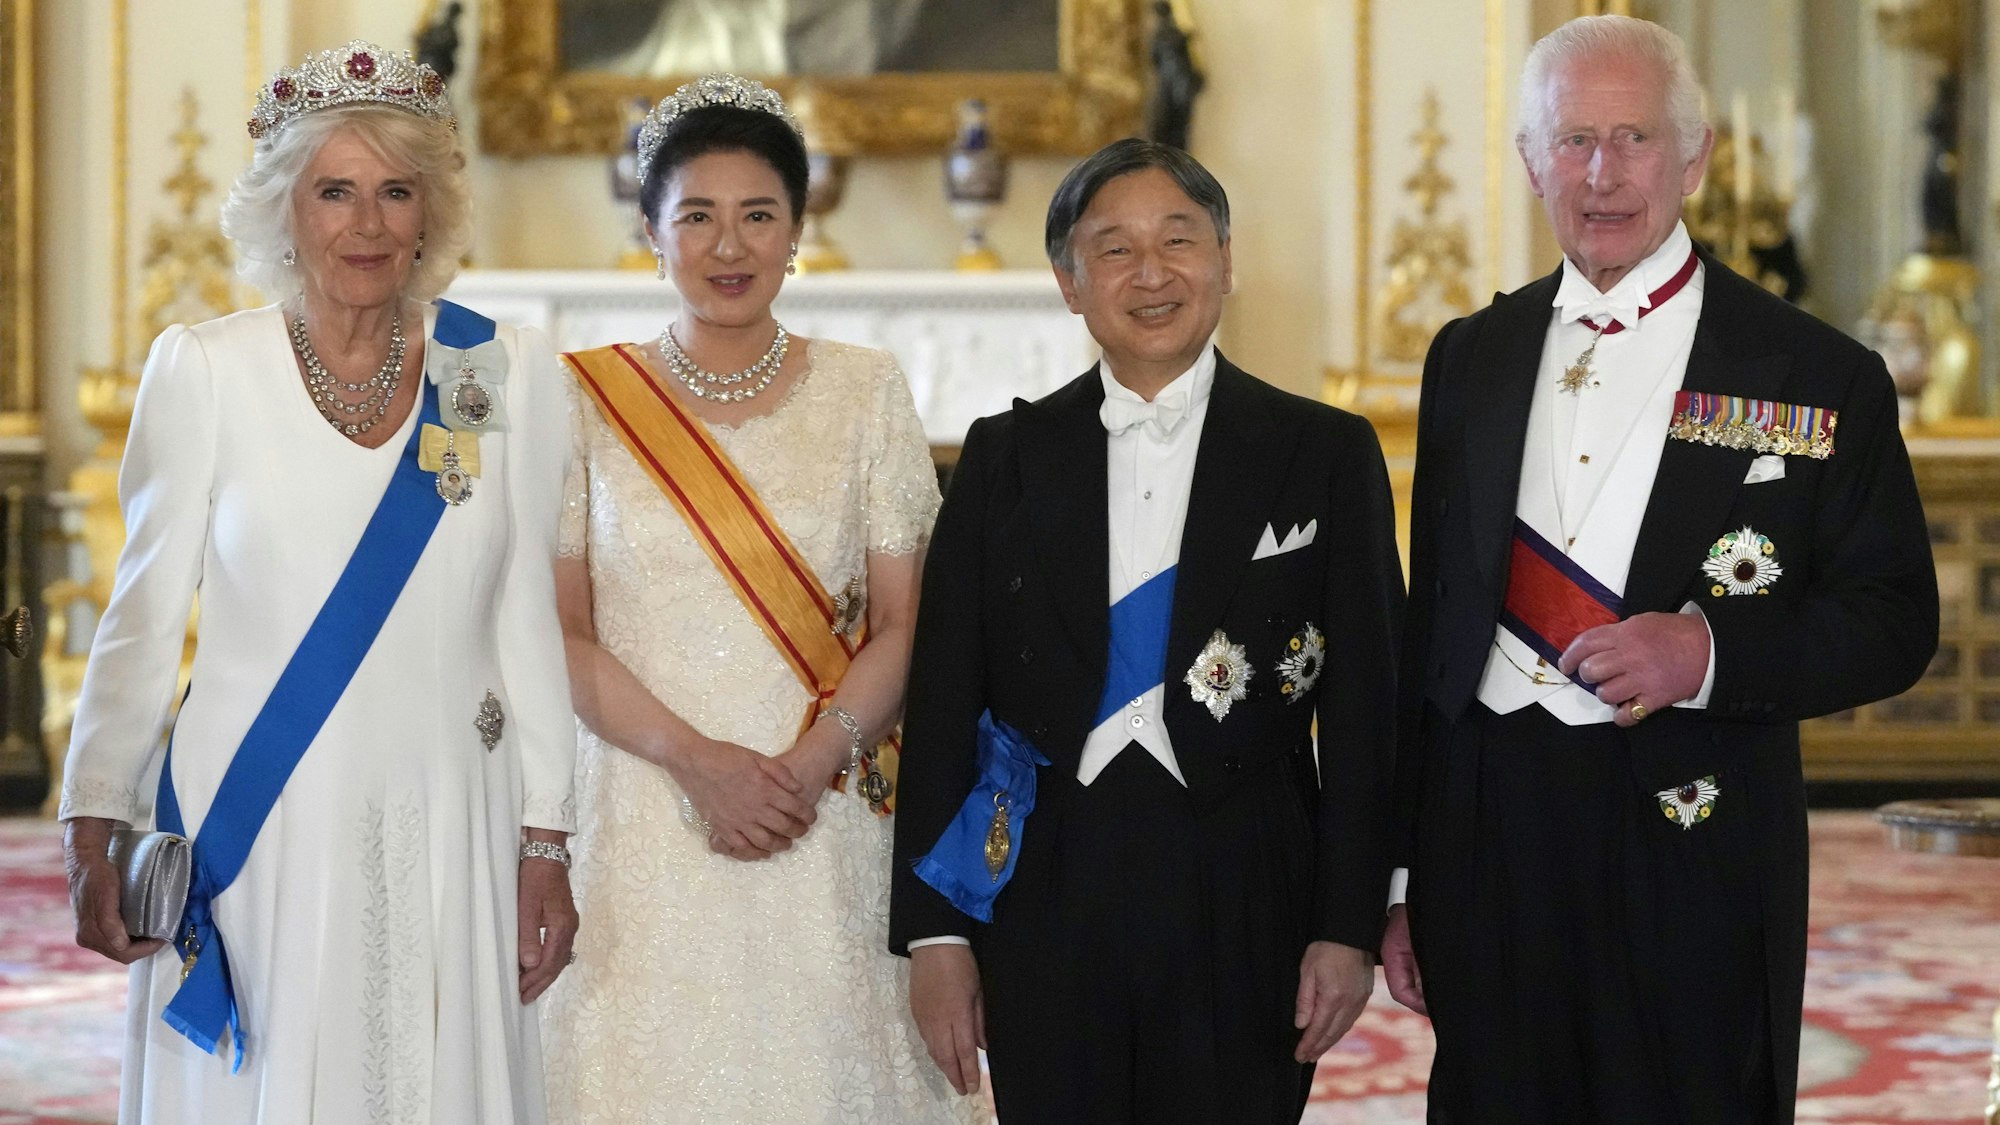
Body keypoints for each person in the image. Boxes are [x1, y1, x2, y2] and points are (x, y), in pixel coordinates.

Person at [1380, 16, 1939, 1123]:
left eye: (1632, 138)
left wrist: (1711, 651)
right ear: (1530, 162)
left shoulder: (1816, 374)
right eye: (1572, 140)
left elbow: (1892, 618)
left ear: (1695, 157)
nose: (1600, 173)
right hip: (1491, 842)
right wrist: (1404, 881)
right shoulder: (1466, 359)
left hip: (1694, 837)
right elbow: (1431, 637)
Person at [57, 41, 577, 1123]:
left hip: (451, 803)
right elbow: (143, 620)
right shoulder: (206, 369)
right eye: (333, 192)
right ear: (283, 210)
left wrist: (546, 833)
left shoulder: (492, 370)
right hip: (261, 815)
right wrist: (93, 817)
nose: (368, 225)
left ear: (432, 212)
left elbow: (522, 611)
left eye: (397, 192)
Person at [890, 138, 1404, 1124]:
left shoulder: (1321, 452)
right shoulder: (1002, 458)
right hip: (1045, 880)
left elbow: (1364, 710)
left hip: (1246, 876)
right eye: (1114, 250)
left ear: (1224, 261)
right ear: (1068, 285)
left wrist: (1347, 922)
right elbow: (945, 695)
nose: (1152, 272)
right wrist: (935, 935)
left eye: (1179, 240)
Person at [539, 75, 976, 1123]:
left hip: (820, 815)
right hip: (644, 813)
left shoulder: (866, 388)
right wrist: (699, 765)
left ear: (796, 230)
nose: (727, 246)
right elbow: (561, 631)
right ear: (651, 231)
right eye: (695, 215)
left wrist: (806, 764)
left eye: (756, 216)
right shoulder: (580, 398)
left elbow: (905, 621)